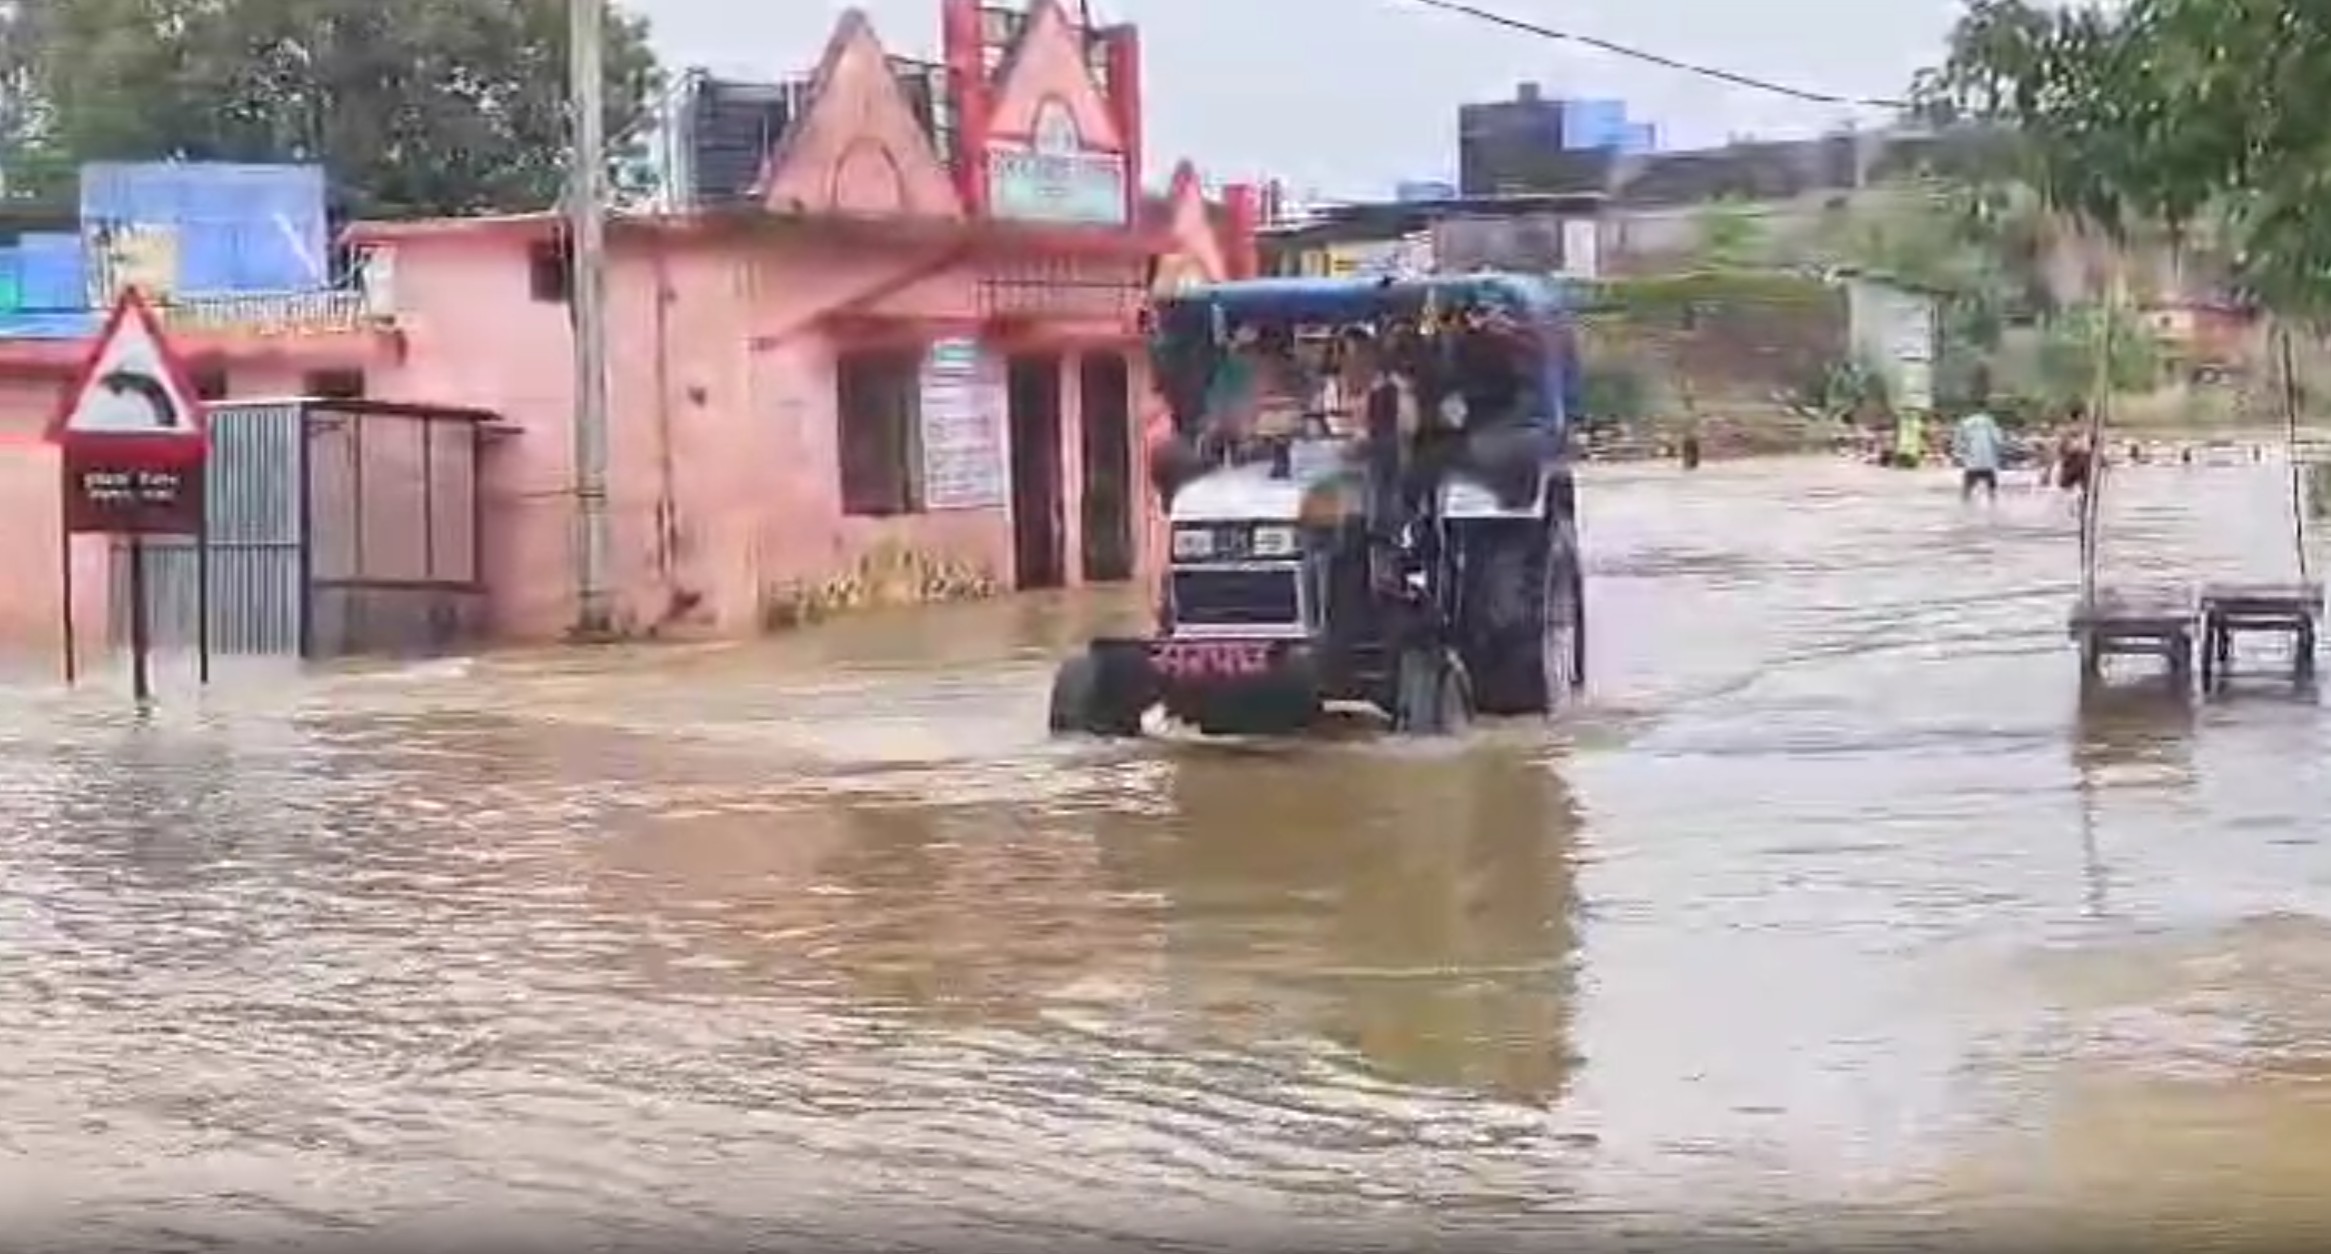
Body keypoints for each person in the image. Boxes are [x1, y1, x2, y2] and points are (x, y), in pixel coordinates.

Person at [1952, 404, 2004, 501]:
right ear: (1983, 409)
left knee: (1967, 489)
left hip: (1972, 459)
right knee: (1991, 489)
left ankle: (1965, 506)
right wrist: (1999, 452)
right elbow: (1997, 440)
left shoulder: (1965, 422)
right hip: (1988, 459)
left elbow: (1958, 441)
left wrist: (1959, 454)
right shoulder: (1989, 422)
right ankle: (1993, 505)